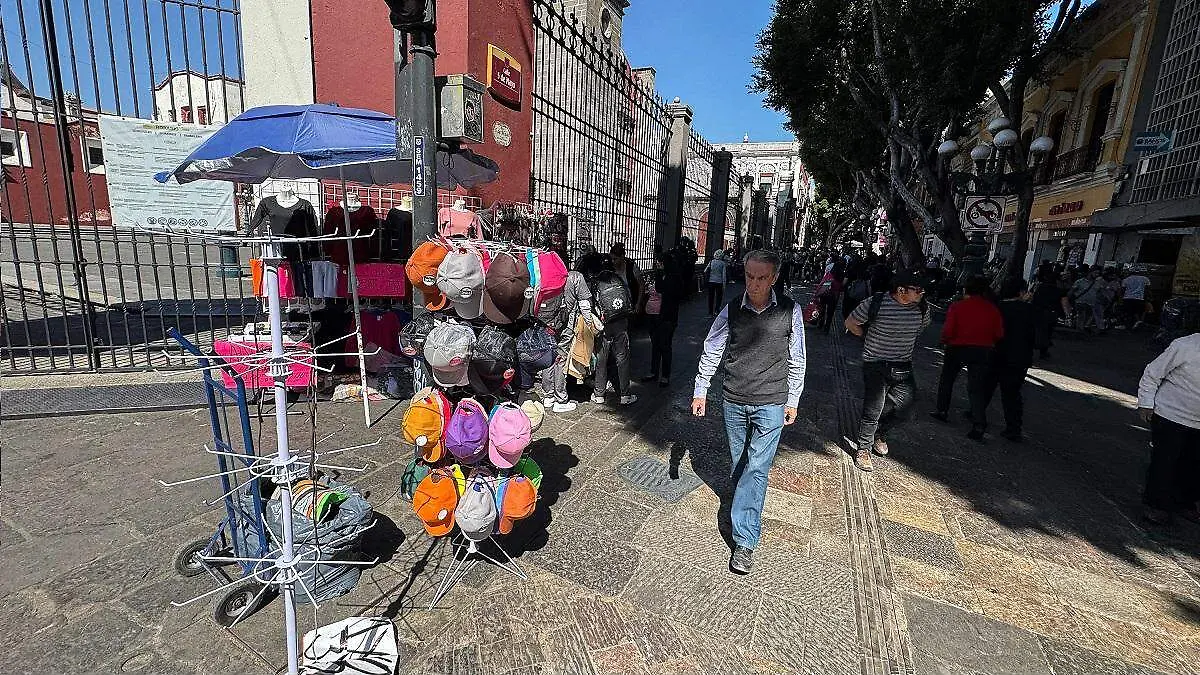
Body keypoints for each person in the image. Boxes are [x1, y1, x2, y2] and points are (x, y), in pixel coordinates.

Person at [693, 250, 806, 575]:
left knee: (757, 468)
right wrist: (702, 389)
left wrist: (793, 399)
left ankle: (744, 540)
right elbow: (712, 347)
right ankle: (745, 503)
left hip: (772, 401)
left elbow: (797, 357)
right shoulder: (732, 309)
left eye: (761, 278)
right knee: (740, 461)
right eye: (749, 277)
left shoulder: (790, 311)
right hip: (734, 399)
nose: (754, 284)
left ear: (774, 278)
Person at [845, 270, 930, 471]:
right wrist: (867, 338)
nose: (922, 294)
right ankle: (864, 449)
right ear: (901, 290)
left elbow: (920, 328)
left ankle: (880, 433)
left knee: (905, 409)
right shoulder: (875, 303)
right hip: (875, 363)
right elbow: (851, 322)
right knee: (873, 408)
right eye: (917, 290)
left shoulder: (922, 308)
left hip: (903, 365)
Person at [1136, 332, 1200, 525]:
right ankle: (1156, 505)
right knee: (1164, 462)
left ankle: (1184, 503)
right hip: (1170, 415)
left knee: (1193, 465)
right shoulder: (1185, 345)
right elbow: (1153, 373)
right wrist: (1146, 402)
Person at [931, 275, 1004, 441]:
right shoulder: (992, 309)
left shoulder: (958, 307)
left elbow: (948, 330)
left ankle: (942, 410)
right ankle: (979, 422)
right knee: (976, 387)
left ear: (966, 289)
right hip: (983, 349)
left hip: (957, 347)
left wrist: (943, 341)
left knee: (948, 379)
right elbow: (999, 333)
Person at [981, 277, 1036, 442]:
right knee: (1012, 394)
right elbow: (1035, 337)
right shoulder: (1029, 311)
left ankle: (976, 415)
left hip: (995, 353)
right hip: (1019, 358)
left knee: (986, 387)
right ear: (1021, 292)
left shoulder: (996, 308)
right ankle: (1013, 427)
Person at [591, 255, 638, 407]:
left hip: (604, 325)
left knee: (601, 359)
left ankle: (599, 394)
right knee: (622, 359)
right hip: (621, 323)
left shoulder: (596, 282)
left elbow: (592, 305)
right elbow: (628, 298)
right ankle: (625, 395)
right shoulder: (618, 279)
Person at [642, 249, 686, 387]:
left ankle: (665, 375)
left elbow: (664, 290)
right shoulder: (659, 275)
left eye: (660, 263)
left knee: (665, 345)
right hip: (653, 315)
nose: (658, 265)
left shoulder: (674, 277)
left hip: (667, 317)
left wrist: (660, 276)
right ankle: (654, 371)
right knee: (655, 344)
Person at [1030, 264, 1067, 359]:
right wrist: (1067, 315)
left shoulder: (1038, 287)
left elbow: (1030, 297)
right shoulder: (1059, 290)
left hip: (1037, 312)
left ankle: (1031, 348)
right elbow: (1064, 303)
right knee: (1047, 333)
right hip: (1051, 314)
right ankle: (1043, 351)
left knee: (1035, 331)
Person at [1068, 268, 1105, 333]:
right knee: (1081, 316)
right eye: (1095, 273)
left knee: (1088, 317)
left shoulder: (1097, 283)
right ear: (1090, 272)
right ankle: (1079, 330)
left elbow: (1099, 293)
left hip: (1091, 304)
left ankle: (1082, 329)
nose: (1097, 275)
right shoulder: (1080, 281)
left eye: (1098, 273)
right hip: (1080, 302)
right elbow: (1072, 291)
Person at [704, 251, 729, 317]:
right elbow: (724, 275)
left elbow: (705, 271)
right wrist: (724, 284)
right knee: (718, 297)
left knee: (710, 297)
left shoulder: (711, 262)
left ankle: (710, 312)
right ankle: (716, 310)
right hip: (719, 282)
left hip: (711, 281)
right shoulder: (722, 263)